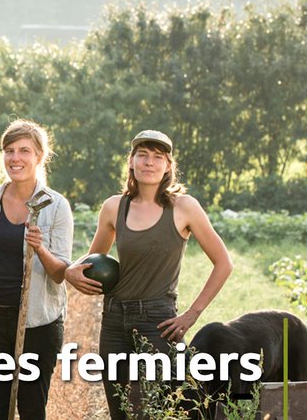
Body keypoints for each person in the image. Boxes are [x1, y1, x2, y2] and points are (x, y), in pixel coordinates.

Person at [65, 130, 232, 420]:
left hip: (158, 322)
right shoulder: (114, 207)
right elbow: (92, 262)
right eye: (142, 155)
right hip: (114, 320)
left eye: (158, 157)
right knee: (120, 409)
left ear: (168, 165)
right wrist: (70, 271)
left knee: (158, 409)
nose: (149, 162)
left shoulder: (184, 207)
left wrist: (192, 313)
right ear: (131, 161)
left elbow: (223, 263)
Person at [0, 120, 73, 420]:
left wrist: (40, 248)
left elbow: (60, 271)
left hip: (38, 323)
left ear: (39, 156)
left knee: (31, 407)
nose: (15, 158)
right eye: (9, 151)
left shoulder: (56, 206)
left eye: (24, 150)